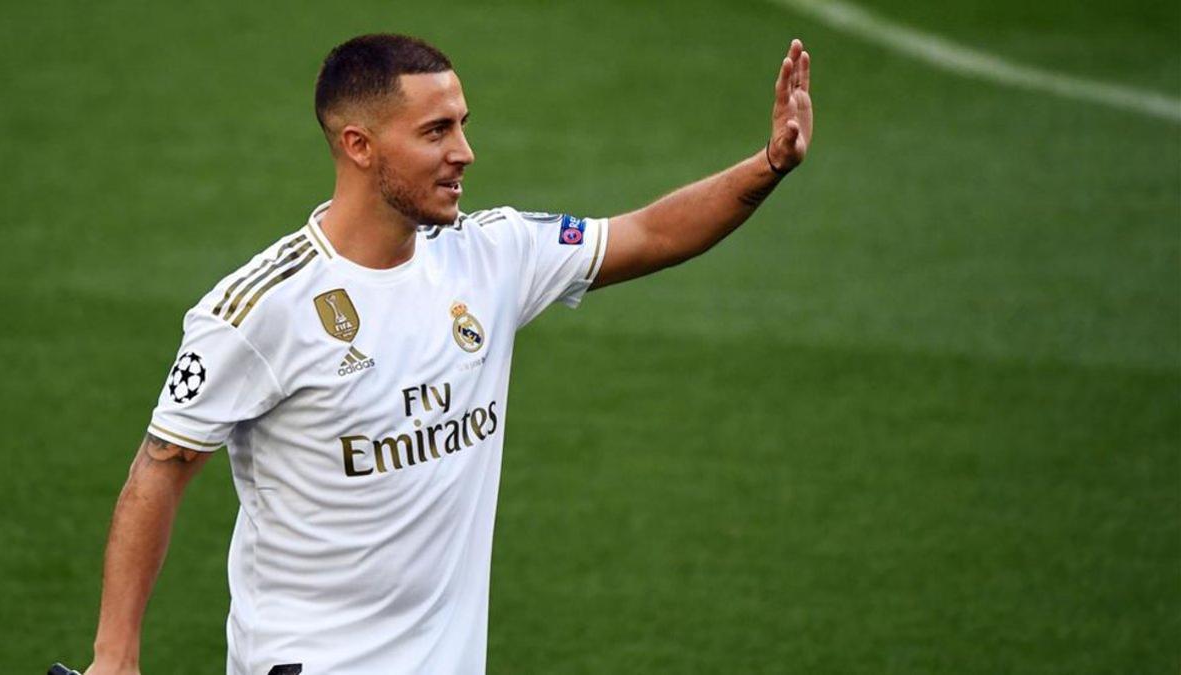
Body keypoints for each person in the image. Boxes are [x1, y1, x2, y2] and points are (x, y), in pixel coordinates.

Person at [85, 33, 813, 675]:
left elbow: (650, 234)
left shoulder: (491, 255)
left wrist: (768, 166)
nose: (464, 151)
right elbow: (163, 463)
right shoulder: (260, 308)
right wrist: (115, 656)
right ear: (359, 146)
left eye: (462, 125)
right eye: (436, 131)